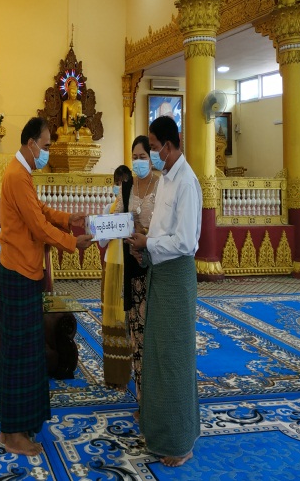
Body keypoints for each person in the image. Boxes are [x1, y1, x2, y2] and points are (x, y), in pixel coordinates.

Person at [0, 116, 92, 457]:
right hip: (19, 272)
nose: (48, 152)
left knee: (23, 352)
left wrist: (67, 219)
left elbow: (38, 210)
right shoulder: (16, 175)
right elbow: (37, 227)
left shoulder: (22, 173)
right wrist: (71, 242)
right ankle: (13, 433)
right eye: (47, 145)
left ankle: (14, 428)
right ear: (31, 143)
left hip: (23, 270)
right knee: (20, 354)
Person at [127, 116, 201, 468]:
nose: (153, 154)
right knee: (157, 355)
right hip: (159, 272)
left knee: (174, 359)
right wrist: (144, 246)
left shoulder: (186, 182)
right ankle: (159, 432)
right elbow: (162, 230)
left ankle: (181, 442)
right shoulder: (167, 179)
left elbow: (185, 242)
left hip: (176, 279)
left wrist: (149, 244)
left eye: (154, 148)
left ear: (169, 147)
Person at [126, 135, 160, 412]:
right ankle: (141, 397)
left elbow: (166, 226)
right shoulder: (127, 186)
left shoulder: (162, 185)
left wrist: (146, 238)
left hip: (156, 265)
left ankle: (157, 397)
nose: (138, 162)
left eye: (143, 157)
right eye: (135, 157)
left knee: (154, 334)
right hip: (133, 265)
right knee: (136, 333)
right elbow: (118, 220)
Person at [100, 164, 133, 387]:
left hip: (129, 268)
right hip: (110, 267)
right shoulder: (108, 209)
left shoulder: (135, 211)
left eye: (123, 183)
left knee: (127, 319)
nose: (119, 187)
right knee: (111, 318)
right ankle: (112, 374)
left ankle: (128, 372)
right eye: (117, 183)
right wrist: (109, 226)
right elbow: (102, 242)